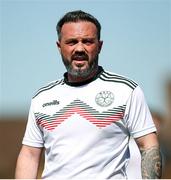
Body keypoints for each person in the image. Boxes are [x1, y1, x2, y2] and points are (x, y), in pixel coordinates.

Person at [15, 10, 162, 179]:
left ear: (99, 46)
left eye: (87, 41)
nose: (79, 48)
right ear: (59, 46)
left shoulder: (126, 90)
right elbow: (29, 155)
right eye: (71, 42)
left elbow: (148, 146)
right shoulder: (41, 98)